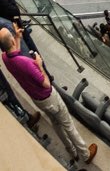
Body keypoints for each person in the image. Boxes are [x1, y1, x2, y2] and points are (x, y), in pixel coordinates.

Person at [1, 28, 97, 165]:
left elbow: (13, 51)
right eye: (11, 35)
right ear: (10, 40)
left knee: (56, 123)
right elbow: (46, 83)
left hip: (37, 100)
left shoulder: (5, 57)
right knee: (68, 124)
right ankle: (85, 154)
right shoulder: (27, 63)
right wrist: (39, 65)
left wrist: (17, 37)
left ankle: (72, 151)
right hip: (49, 97)